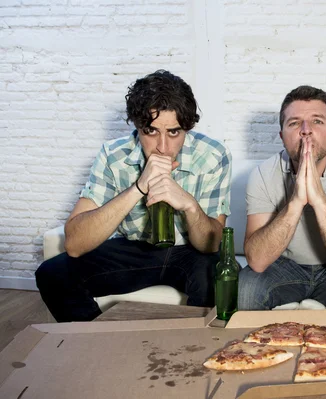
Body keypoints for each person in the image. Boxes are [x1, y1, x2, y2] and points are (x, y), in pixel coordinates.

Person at [35, 70, 232, 322]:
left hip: (190, 253)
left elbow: (210, 245)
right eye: (151, 131)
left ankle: (192, 351)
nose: (163, 147)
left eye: (174, 132)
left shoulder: (213, 155)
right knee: (53, 273)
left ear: (187, 128)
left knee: (214, 272)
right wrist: (138, 188)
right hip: (133, 249)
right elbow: (74, 244)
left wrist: (189, 206)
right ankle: (96, 345)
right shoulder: (113, 155)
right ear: (137, 128)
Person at [238, 85, 326, 319]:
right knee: (246, 286)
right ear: (282, 136)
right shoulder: (263, 175)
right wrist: (296, 201)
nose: (306, 130)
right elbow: (256, 260)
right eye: (294, 123)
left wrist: (319, 201)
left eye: (317, 121)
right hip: (284, 265)